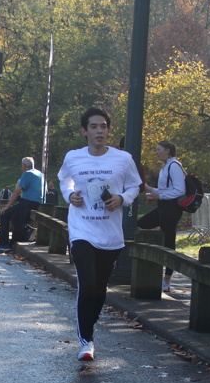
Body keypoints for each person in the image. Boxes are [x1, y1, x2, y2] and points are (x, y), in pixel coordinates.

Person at [58, 107, 141, 363]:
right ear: (84, 131)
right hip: (81, 230)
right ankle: (86, 341)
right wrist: (69, 195)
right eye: (94, 127)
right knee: (88, 283)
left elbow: (135, 186)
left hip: (110, 234)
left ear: (108, 130)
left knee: (100, 288)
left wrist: (122, 199)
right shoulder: (73, 157)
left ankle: (90, 323)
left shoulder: (123, 159)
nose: (99, 131)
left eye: (103, 126)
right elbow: (64, 180)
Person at [136, 140, 186, 293]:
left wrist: (160, 196)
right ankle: (148, 268)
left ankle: (167, 281)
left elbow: (180, 190)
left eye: (159, 149)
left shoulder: (174, 166)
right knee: (140, 225)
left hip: (172, 208)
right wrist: (151, 190)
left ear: (168, 151)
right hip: (163, 207)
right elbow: (166, 189)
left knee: (169, 241)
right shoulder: (165, 167)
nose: (156, 152)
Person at [0, 157, 44, 252]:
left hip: (28, 203)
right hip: (39, 204)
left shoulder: (27, 173)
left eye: (21, 166)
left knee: (4, 214)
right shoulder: (41, 174)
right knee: (16, 214)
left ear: (24, 166)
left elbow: (17, 191)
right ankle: (27, 232)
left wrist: (7, 206)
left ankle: (4, 244)